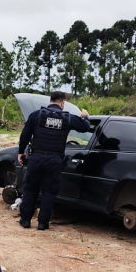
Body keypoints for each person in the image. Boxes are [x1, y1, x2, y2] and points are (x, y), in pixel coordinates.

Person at [17, 91, 90, 230]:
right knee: (49, 192)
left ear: (50, 101)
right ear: (62, 103)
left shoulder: (36, 115)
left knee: (30, 190)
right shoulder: (68, 118)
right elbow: (85, 127)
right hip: (54, 160)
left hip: (36, 158)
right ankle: (43, 224)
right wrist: (85, 116)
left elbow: (25, 135)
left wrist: (21, 152)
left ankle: (25, 220)